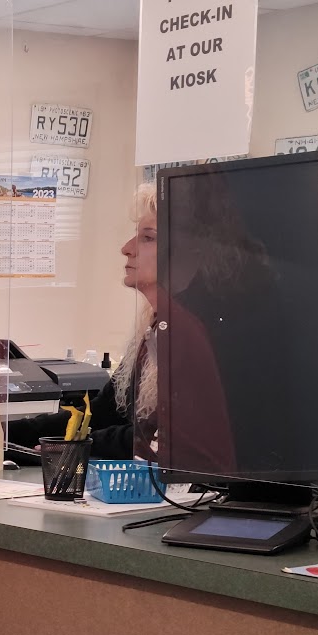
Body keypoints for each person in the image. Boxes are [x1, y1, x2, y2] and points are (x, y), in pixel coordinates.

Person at [89, 181, 236, 477]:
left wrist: (73, 444)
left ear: (187, 252)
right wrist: (11, 434)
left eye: (148, 238)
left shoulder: (191, 329)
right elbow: (100, 413)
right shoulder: (156, 325)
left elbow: (155, 437)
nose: (127, 249)